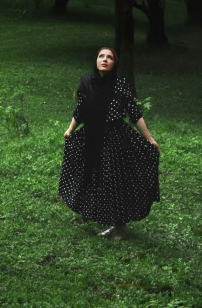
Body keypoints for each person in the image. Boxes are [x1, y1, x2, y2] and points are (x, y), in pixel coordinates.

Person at [59, 47, 160, 239]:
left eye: (110, 57)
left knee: (116, 182)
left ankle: (120, 226)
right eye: (101, 56)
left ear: (115, 63)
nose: (104, 60)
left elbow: (135, 113)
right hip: (90, 137)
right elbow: (80, 110)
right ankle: (111, 222)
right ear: (96, 60)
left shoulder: (120, 85)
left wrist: (150, 139)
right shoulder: (86, 83)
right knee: (96, 179)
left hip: (115, 139)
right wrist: (70, 129)